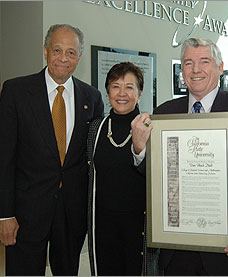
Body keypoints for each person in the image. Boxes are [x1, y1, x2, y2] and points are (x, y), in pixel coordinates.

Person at [131, 38, 228, 276]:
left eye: (204, 61)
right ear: (182, 71)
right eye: (188, 63)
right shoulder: (165, 112)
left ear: (220, 67)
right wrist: (139, 150)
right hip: (178, 251)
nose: (195, 70)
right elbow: (158, 178)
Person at [0, 24, 104, 276]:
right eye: (57, 50)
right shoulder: (16, 91)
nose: (63, 58)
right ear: (45, 51)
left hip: (71, 213)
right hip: (25, 213)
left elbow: (93, 158)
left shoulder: (92, 97)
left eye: (71, 53)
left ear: (79, 57)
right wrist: (3, 215)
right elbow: (3, 159)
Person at [86, 62, 156, 276]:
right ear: (107, 93)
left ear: (140, 92)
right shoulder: (95, 129)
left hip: (139, 226)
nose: (122, 93)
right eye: (116, 86)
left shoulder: (150, 126)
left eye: (129, 87)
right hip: (104, 226)